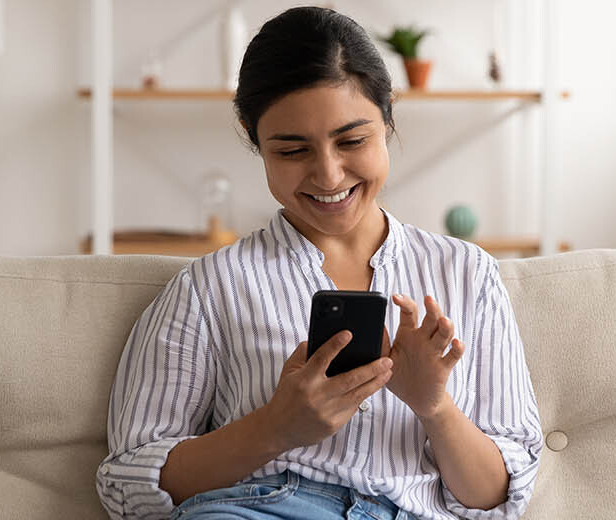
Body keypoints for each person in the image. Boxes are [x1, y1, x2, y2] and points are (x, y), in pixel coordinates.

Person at [96, 7, 541, 519]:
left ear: (388, 117)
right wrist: (275, 428)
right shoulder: (208, 288)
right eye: (292, 150)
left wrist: (434, 407)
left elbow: (499, 498)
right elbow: (126, 484)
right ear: (253, 138)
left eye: (352, 141)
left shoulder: (468, 274)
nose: (328, 176)